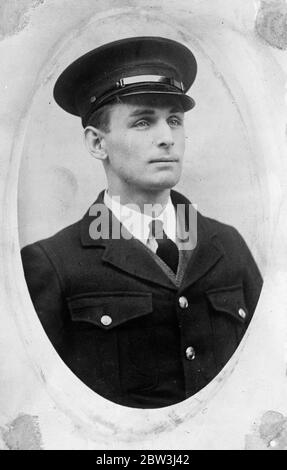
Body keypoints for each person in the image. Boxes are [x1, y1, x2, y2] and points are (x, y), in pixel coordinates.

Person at [21, 37, 263, 409]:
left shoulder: (225, 245)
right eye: (143, 122)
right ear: (97, 144)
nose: (167, 138)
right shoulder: (51, 265)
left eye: (174, 121)